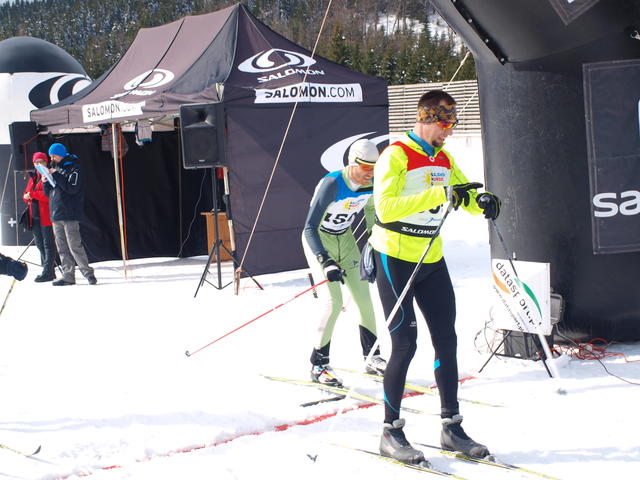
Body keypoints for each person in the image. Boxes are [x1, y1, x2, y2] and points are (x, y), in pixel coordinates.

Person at [369, 90, 501, 463]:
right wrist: (438, 194)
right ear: (427, 118)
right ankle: (390, 431)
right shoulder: (396, 155)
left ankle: (451, 428)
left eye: (453, 123)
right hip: (395, 257)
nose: (450, 131)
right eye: (447, 123)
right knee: (404, 344)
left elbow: (463, 193)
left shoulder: (443, 158)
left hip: (431, 257)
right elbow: (386, 208)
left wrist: (482, 201)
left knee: (446, 339)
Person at [302, 139, 387, 387]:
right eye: (366, 167)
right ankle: (318, 364)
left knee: (364, 300)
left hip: (345, 240)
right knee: (334, 302)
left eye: (374, 168)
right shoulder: (332, 183)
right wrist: (325, 260)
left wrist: (374, 246)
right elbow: (309, 227)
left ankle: (372, 357)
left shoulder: (371, 183)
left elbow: (371, 214)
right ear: (352, 163)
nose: (370, 173)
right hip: (320, 240)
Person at [43, 143, 97, 286]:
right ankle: (68, 276)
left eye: (54, 155)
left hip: (69, 213)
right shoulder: (56, 168)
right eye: (50, 156)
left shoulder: (75, 168)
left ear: (61, 154)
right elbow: (49, 193)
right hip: (56, 214)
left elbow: (72, 188)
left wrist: (56, 175)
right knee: (62, 248)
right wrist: (45, 182)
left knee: (74, 245)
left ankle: (88, 273)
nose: (51, 158)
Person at [22, 152, 57, 282]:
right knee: (39, 243)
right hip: (35, 216)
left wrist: (32, 194)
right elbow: (26, 194)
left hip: (46, 216)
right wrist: (26, 196)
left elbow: (49, 197)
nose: (38, 164)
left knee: (48, 244)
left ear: (46, 162)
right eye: (36, 162)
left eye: (41, 162)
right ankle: (49, 269)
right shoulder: (33, 177)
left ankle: (47, 271)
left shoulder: (49, 175)